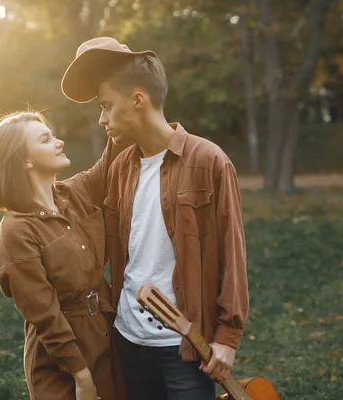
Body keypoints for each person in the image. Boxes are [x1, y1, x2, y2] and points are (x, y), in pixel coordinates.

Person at [61, 37, 249, 400]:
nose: (102, 119)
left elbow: (233, 256)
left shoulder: (209, 161)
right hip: (128, 339)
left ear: (137, 100)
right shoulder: (120, 168)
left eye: (106, 107)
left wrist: (227, 338)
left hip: (185, 345)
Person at [0, 111, 127, 400]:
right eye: (45, 139)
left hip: (106, 339)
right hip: (60, 360)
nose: (59, 142)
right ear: (24, 160)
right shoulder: (16, 231)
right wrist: (81, 376)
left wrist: (116, 109)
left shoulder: (73, 194)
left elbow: (113, 160)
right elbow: (45, 315)